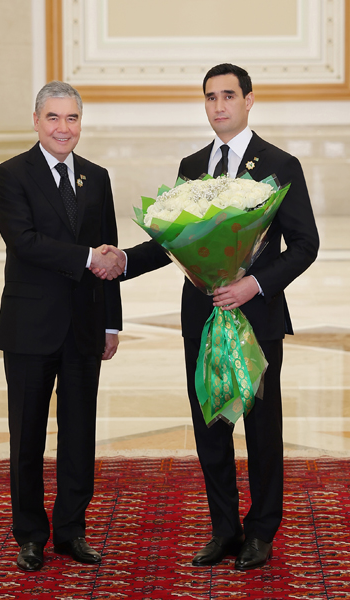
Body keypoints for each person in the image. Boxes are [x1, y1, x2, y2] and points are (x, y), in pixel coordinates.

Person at [96, 64, 319, 570]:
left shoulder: (280, 165)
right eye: (210, 97)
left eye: (228, 95)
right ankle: (225, 530)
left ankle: (262, 531)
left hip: (256, 316)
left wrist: (253, 284)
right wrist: (124, 261)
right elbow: (171, 240)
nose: (219, 106)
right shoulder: (193, 163)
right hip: (201, 314)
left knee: (262, 427)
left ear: (248, 100)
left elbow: (306, 244)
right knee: (209, 423)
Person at [0, 81, 125, 572]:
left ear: (80, 123)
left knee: (79, 434)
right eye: (53, 118)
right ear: (35, 120)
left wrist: (112, 322)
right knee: (26, 436)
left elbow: (109, 251)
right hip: (30, 327)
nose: (63, 128)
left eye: (71, 119)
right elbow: (23, 241)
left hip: (85, 327)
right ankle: (29, 534)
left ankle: (71, 530)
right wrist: (89, 257)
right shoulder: (9, 175)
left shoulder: (97, 176)